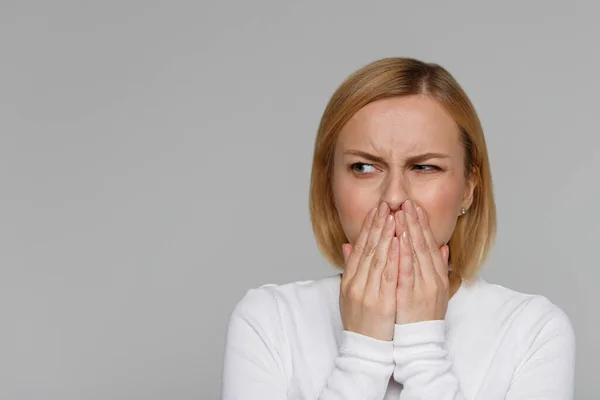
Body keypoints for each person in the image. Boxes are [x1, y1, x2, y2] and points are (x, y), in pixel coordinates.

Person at [220, 57, 575, 399]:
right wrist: (363, 354)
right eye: (363, 167)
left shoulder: (533, 331)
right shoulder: (269, 321)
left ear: (468, 187)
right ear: (329, 185)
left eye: (424, 168)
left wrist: (422, 347)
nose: (393, 196)